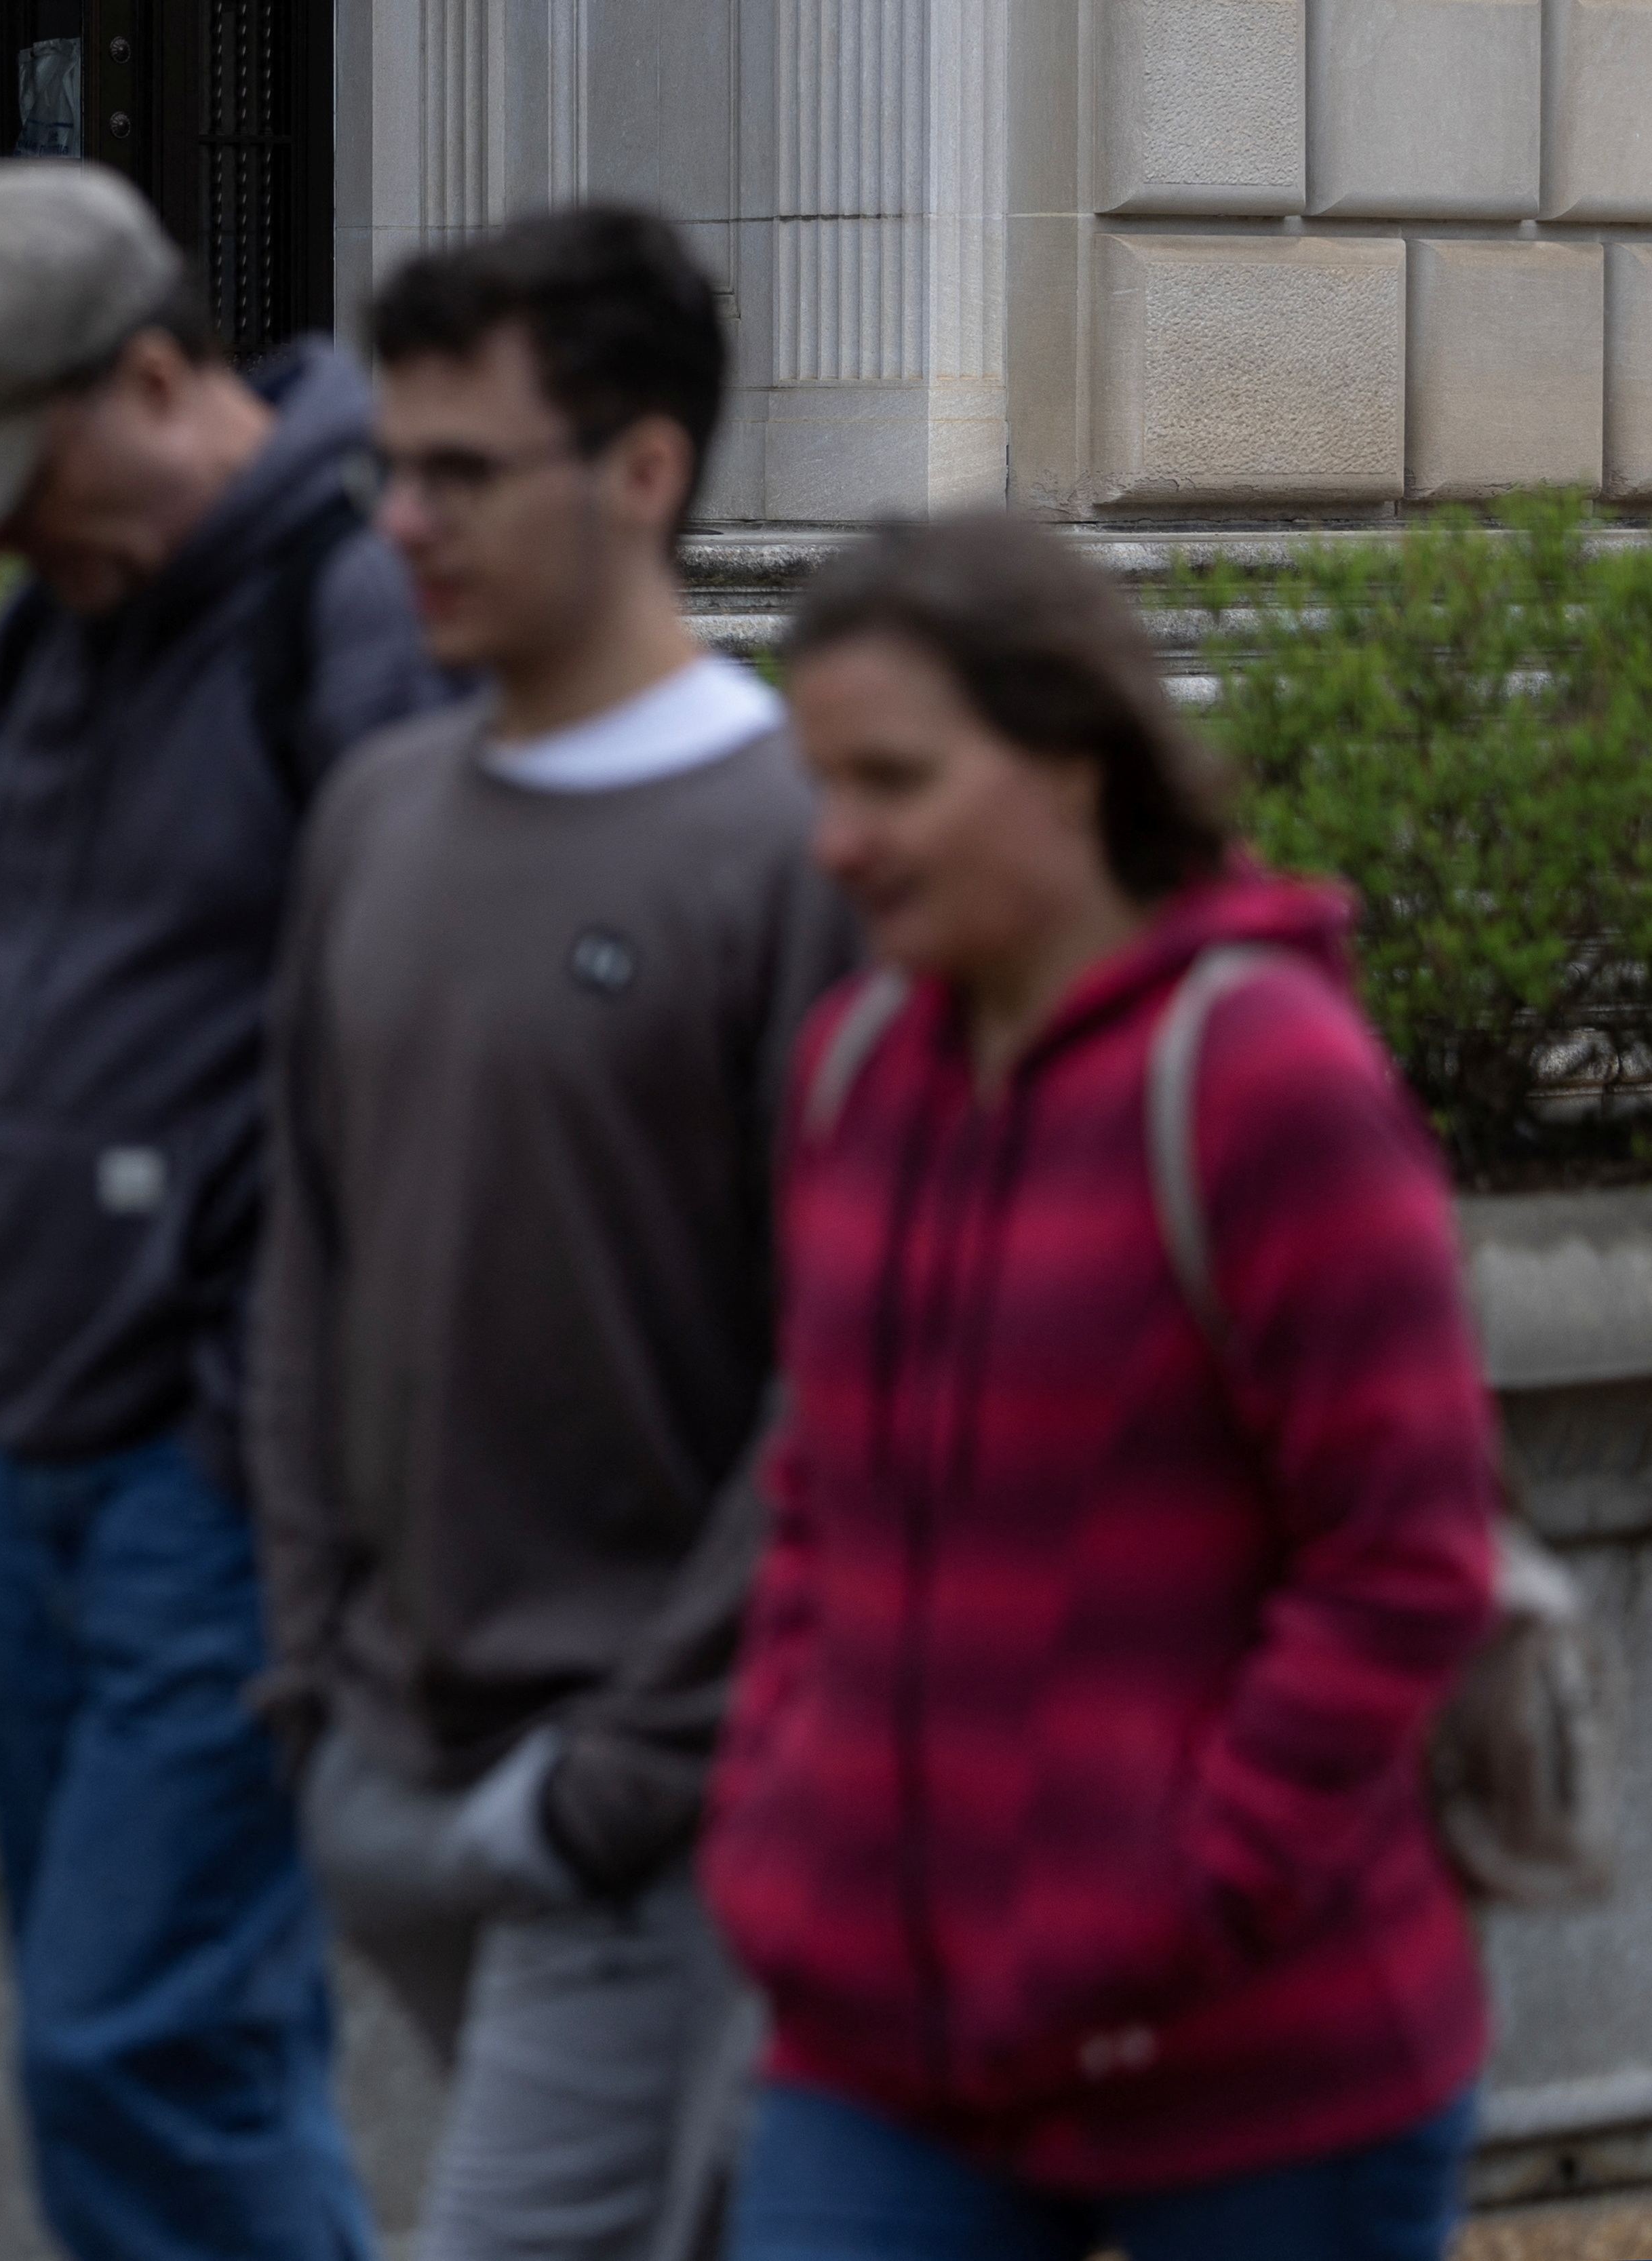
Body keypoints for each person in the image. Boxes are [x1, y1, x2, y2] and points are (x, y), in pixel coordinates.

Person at [701, 512, 1497, 2261]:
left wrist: (1175, 1900)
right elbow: (819, 1505)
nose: (836, 844)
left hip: (1262, 2067)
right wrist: (771, 1826)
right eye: (820, 782)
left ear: (1069, 766)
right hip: (887, 2042)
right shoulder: (851, 1072)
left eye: (893, 781)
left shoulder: (1265, 1079)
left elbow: (1405, 1560)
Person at [0, 162, 456, 2261]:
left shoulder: (364, 598)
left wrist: (241, 1426)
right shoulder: (58, 621)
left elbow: (413, 1076)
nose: (0, 528)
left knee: (131, 2044)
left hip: (228, 1476)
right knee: (174, 2031)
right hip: (38, 1447)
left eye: (19, 470)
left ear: (156, 376)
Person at [248, 205, 861, 2261]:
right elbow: (307, 1258)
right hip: (388, 1772)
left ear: (646, 471)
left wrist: (631, 1770)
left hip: (644, 1807)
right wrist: (312, 1671)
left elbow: (845, 1371)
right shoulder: (375, 815)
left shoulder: (799, 848)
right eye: (384, 472)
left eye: (461, 473)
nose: (401, 521)